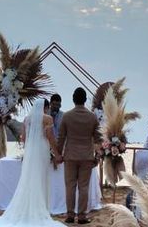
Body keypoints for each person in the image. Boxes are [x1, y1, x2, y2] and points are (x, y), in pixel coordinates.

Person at [0, 100, 63, 227]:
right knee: (41, 177)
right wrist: (57, 153)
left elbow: (24, 138)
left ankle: (31, 208)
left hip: (31, 152)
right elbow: (50, 137)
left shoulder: (27, 119)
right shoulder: (47, 119)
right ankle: (40, 208)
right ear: (46, 107)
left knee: (30, 178)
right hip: (42, 150)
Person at [57, 87, 101, 225]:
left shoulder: (67, 116)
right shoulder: (92, 117)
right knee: (83, 187)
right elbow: (98, 139)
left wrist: (58, 154)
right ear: (85, 100)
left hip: (70, 155)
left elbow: (61, 138)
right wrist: (97, 156)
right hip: (87, 156)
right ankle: (81, 216)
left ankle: (70, 215)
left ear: (73, 99)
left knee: (70, 186)